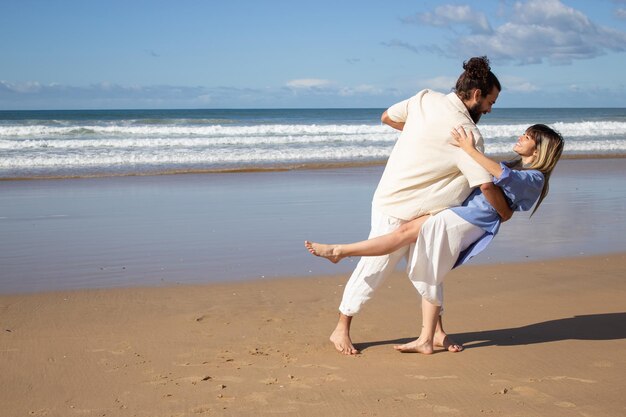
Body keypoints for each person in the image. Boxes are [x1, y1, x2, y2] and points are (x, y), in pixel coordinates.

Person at [306, 124, 565, 354]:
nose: (520, 137)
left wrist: (468, 148)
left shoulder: (534, 178)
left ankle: (425, 338)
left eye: (528, 136)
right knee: (408, 242)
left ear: (539, 149)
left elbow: (493, 179)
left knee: (423, 264)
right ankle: (432, 334)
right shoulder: (519, 169)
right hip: (461, 215)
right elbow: (498, 192)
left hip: (465, 220)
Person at [318, 56, 510, 355]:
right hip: (398, 204)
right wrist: (504, 212)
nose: (489, 108)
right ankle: (340, 327)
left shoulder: (424, 99)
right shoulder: (468, 134)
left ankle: (436, 333)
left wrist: (420, 137)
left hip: (419, 208)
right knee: (376, 266)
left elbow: (386, 117)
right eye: (490, 101)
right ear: (476, 95)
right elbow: (484, 184)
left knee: (431, 270)